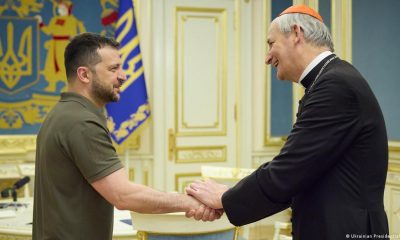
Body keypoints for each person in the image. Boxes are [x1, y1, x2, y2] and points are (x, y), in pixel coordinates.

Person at [186, 5, 389, 240]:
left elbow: (290, 170)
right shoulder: (330, 79)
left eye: (271, 43)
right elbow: (300, 173)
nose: (267, 57)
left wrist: (225, 198)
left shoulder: (336, 85)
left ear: (296, 33)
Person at [32, 32, 221, 240]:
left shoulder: (62, 112)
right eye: (114, 69)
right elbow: (123, 195)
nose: (123, 75)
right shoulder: (82, 122)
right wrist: (189, 202)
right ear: (84, 75)